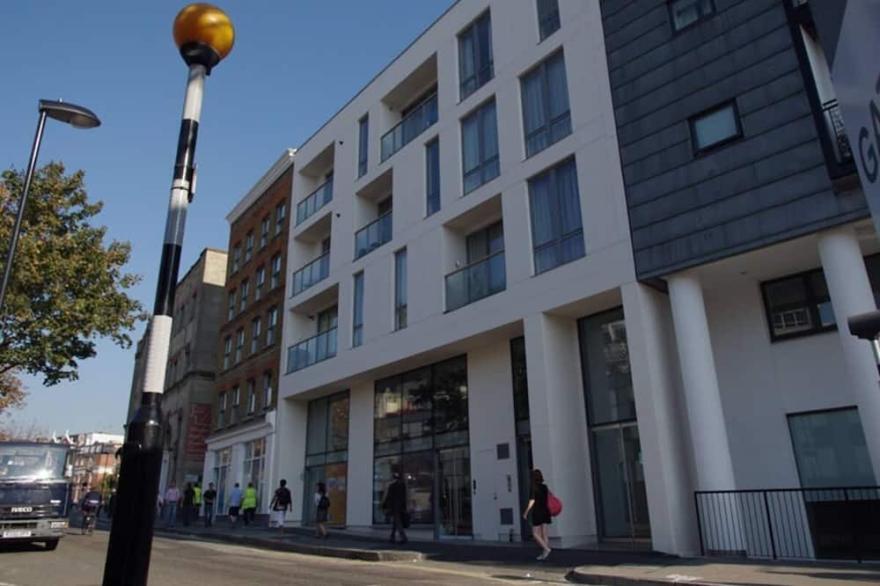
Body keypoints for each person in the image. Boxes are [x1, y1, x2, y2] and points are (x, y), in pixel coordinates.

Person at [522, 468, 552, 561]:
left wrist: (526, 511)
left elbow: (532, 500)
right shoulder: (545, 487)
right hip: (546, 511)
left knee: (535, 534)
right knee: (544, 534)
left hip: (537, 512)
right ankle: (544, 553)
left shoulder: (533, 487)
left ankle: (546, 549)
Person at [382, 471, 408, 544]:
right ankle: (392, 536)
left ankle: (403, 537)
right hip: (400, 506)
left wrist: (385, 505)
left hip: (394, 506)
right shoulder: (402, 485)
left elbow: (389, 497)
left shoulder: (392, 486)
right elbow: (404, 497)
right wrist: (404, 506)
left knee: (397, 521)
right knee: (395, 522)